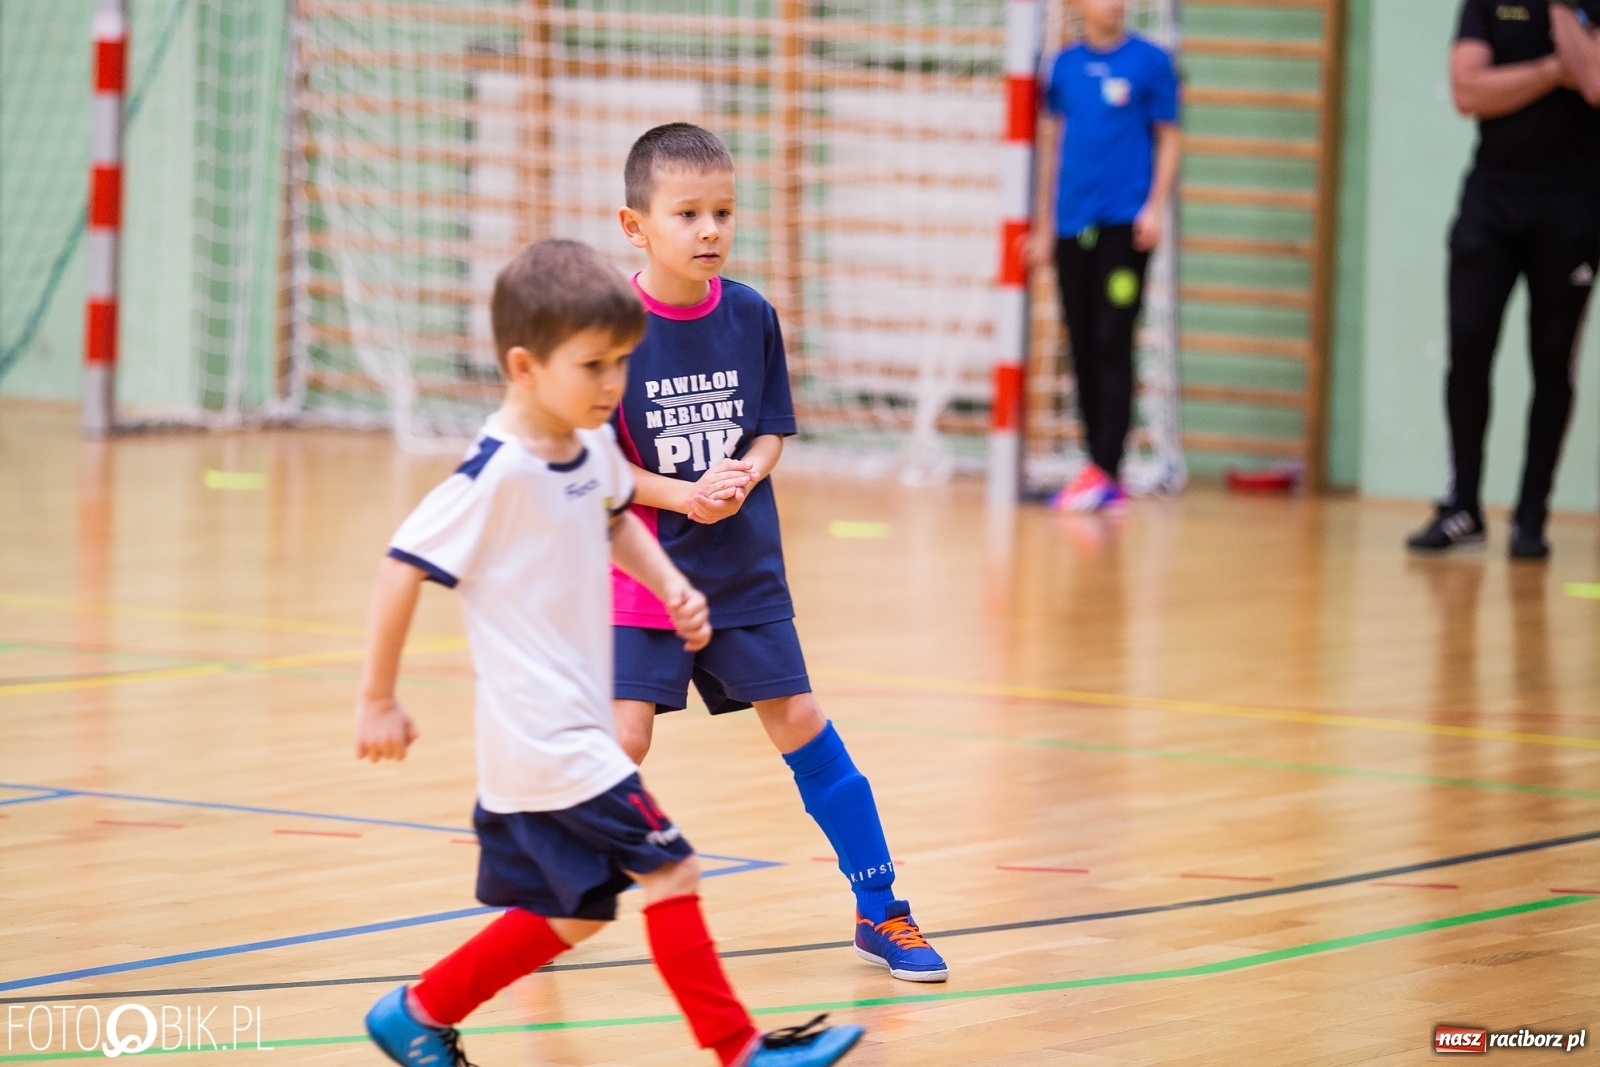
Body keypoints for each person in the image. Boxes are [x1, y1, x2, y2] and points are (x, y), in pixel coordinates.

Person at [353, 239, 863, 1067]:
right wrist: (377, 697)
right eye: (594, 366)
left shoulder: (585, 444)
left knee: (581, 909)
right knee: (674, 870)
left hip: (571, 730)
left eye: (622, 363)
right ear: (524, 367)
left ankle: (418, 1010)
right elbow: (401, 564)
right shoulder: (497, 472)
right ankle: (740, 1051)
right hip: (547, 741)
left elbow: (618, 514)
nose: (613, 385)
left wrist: (668, 584)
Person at [607, 123, 949, 984]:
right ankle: (545, 888)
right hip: (643, 572)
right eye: (687, 213)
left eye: (723, 210)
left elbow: (769, 432)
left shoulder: (752, 315)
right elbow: (594, 467)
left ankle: (883, 909)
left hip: (742, 568)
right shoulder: (606, 328)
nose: (710, 229)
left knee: (799, 720)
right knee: (622, 740)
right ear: (635, 225)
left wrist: (744, 475)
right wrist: (681, 494)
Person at [1407, 0, 1600, 559]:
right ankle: (1463, 504)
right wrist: (1548, 73)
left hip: (1573, 207)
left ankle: (1531, 515)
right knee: (1468, 342)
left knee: (1552, 359)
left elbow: (1590, 82)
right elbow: (1469, 93)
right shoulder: (1487, 4)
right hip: (1492, 202)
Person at [1030, 0, 1180, 511]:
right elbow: (1053, 146)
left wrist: (1155, 207)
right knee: (1082, 345)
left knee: (1112, 339)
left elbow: (1170, 138)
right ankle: (1096, 465)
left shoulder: (1150, 61)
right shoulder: (1064, 67)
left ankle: (1108, 469)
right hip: (1074, 226)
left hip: (1125, 226)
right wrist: (1045, 225)